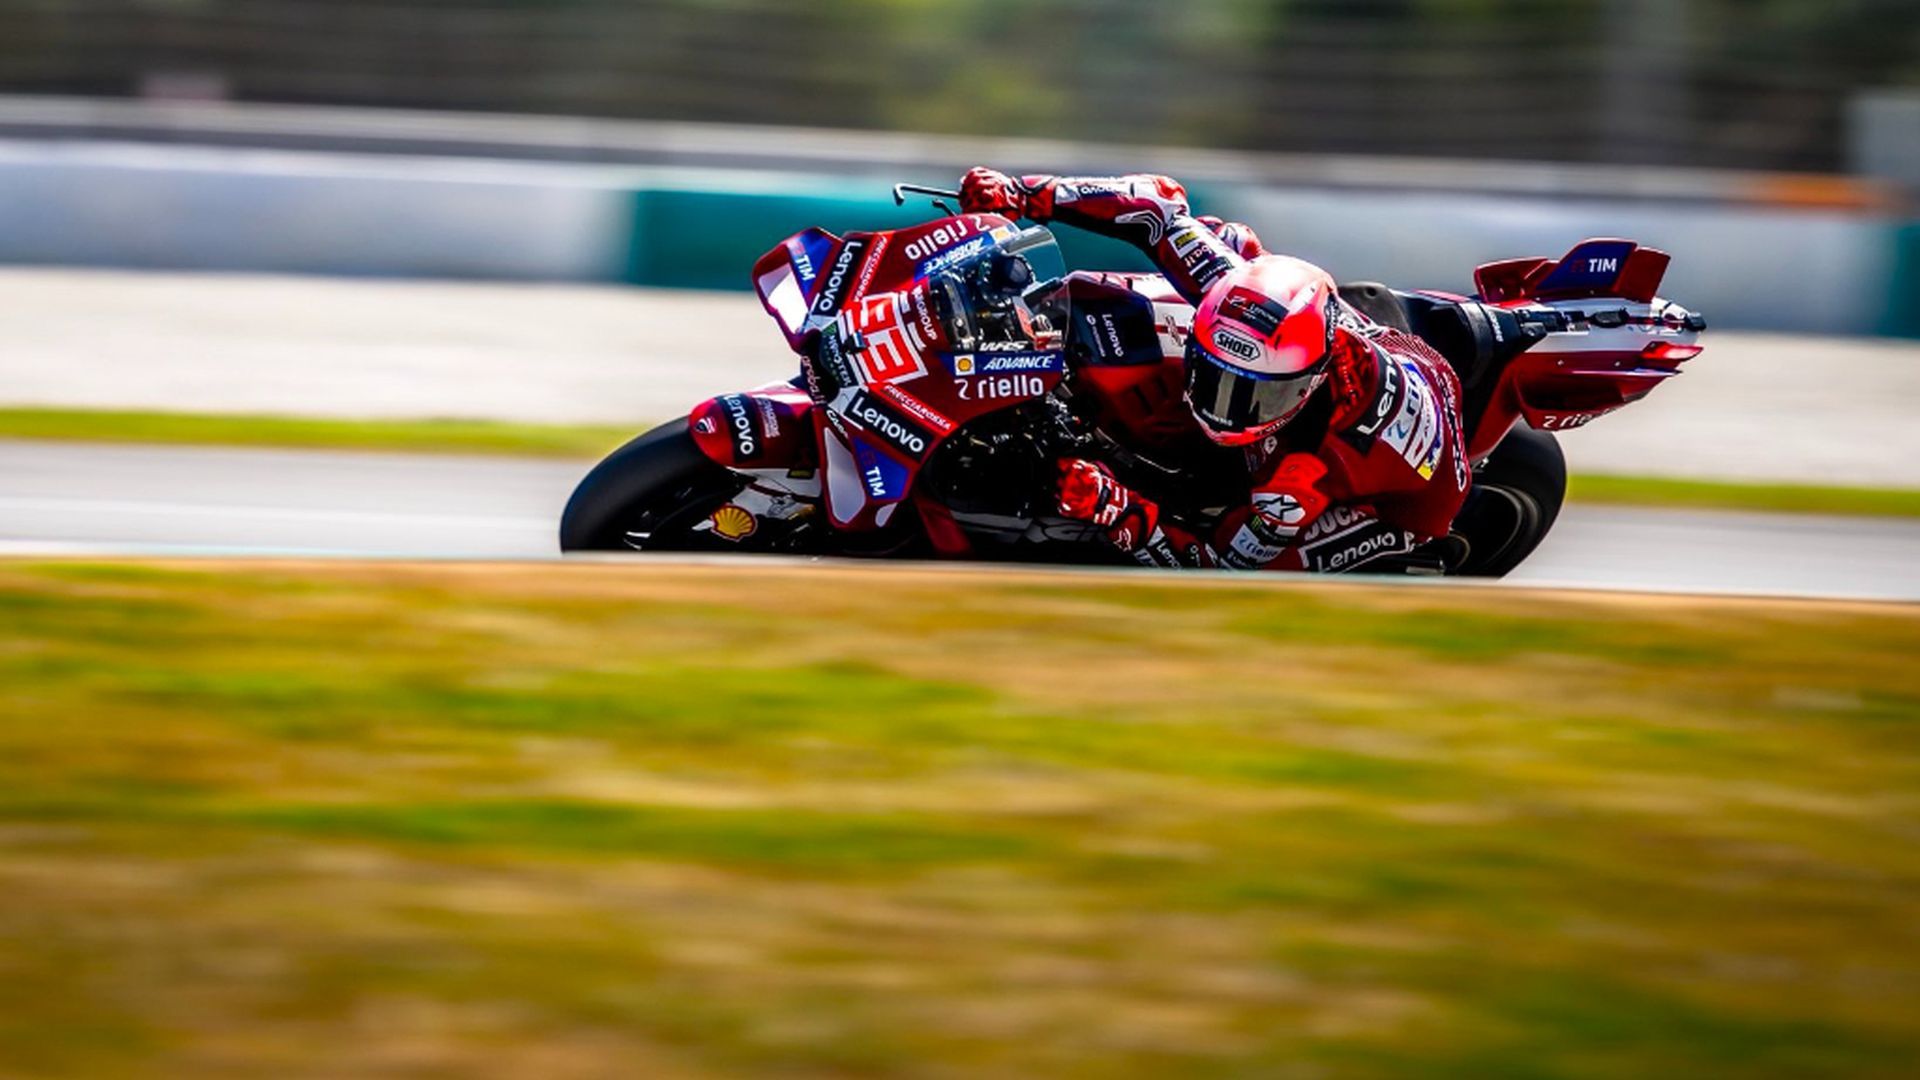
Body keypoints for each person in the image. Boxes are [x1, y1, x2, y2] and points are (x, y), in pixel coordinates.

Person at [958, 167, 1472, 572]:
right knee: (1230, 239)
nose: (1223, 410)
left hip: (1410, 495)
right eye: (1215, 376)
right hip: (1367, 340)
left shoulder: (1303, 472)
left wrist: (1120, 509)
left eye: (1252, 396)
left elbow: (1222, 568)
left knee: (1276, 559)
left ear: (1306, 385)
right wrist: (1028, 194)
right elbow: (1156, 205)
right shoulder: (1227, 284)